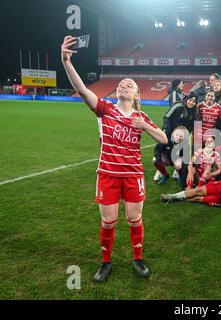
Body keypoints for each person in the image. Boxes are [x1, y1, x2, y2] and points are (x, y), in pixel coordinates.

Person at [61, 36, 168, 282]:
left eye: (128, 84)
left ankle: (137, 259)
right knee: (108, 222)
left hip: (133, 175)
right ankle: (105, 262)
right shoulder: (105, 109)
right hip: (107, 174)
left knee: (134, 219)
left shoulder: (141, 116)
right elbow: (81, 89)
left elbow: (163, 138)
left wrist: (145, 125)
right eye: (121, 83)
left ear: (136, 93)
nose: (123, 85)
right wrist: (66, 61)